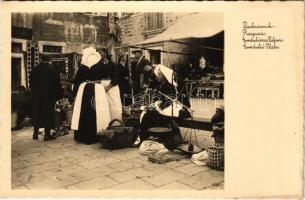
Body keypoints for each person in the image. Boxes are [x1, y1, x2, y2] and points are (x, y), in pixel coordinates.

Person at [71, 47, 122, 145]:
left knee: (84, 111)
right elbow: (109, 75)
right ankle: (96, 134)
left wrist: (74, 95)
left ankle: (82, 136)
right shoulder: (101, 65)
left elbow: (77, 81)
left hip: (84, 90)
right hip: (97, 89)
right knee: (98, 111)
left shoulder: (82, 66)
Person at [29, 55, 62, 141]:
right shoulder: (52, 69)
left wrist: (35, 93)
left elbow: (31, 83)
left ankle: (35, 133)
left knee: (37, 113)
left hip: (37, 96)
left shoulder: (34, 69)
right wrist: (58, 95)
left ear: (40, 59)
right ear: (49, 60)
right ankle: (47, 135)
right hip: (48, 96)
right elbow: (57, 84)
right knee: (48, 114)